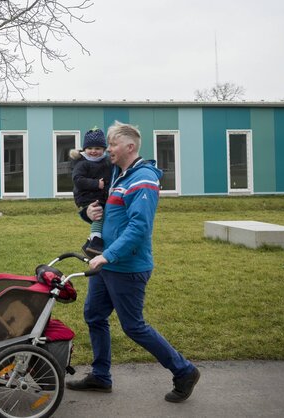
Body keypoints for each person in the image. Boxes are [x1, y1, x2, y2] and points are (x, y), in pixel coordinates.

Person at [66, 121, 200, 403]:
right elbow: (107, 213)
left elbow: (139, 228)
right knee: (94, 316)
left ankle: (184, 370)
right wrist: (87, 214)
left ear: (129, 147)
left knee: (134, 326)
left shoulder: (144, 180)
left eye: (112, 145)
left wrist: (107, 255)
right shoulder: (118, 174)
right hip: (106, 265)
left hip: (126, 267)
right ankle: (101, 376)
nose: (107, 150)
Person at [70, 127, 110, 257]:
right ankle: (95, 242)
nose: (93, 151)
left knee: (104, 217)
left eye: (97, 148)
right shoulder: (82, 163)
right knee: (98, 214)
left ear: (104, 149)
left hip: (100, 196)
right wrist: (96, 184)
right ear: (85, 149)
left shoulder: (107, 162)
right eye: (90, 148)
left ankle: (89, 243)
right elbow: (77, 180)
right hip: (86, 196)